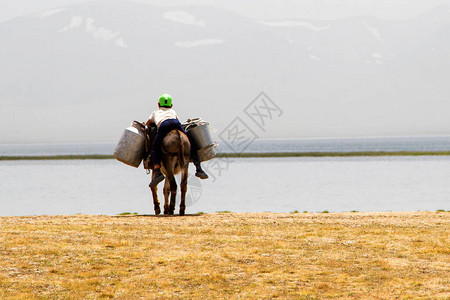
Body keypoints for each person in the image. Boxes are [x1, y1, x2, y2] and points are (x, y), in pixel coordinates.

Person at [146, 94, 208, 188]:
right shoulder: (173, 111)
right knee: (190, 143)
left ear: (159, 104)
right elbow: (176, 119)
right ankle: (199, 169)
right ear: (171, 105)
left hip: (164, 125)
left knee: (155, 148)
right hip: (175, 123)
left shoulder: (155, 112)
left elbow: (148, 123)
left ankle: (158, 172)